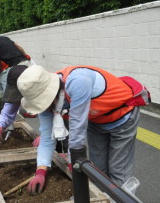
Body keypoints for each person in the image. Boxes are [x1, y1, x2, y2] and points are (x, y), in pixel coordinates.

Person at [14, 65, 145, 195]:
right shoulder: (46, 104)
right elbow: (47, 138)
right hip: (96, 119)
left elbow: (77, 133)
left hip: (122, 116)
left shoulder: (78, 82)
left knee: (118, 170)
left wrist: (75, 165)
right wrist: (41, 171)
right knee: (98, 170)